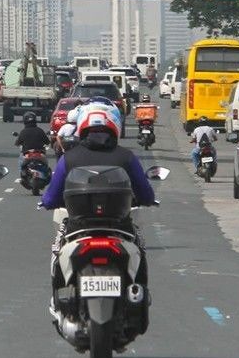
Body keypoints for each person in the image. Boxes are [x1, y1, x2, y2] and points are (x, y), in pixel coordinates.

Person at [41, 103, 156, 287]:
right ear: (115, 126)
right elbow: (145, 192)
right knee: (139, 255)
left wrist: (46, 202)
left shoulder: (68, 158)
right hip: (120, 227)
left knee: (58, 256)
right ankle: (139, 300)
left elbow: (52, 196)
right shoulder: (126, 156)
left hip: (77, 227)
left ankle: (58, 300)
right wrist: (147, 200)